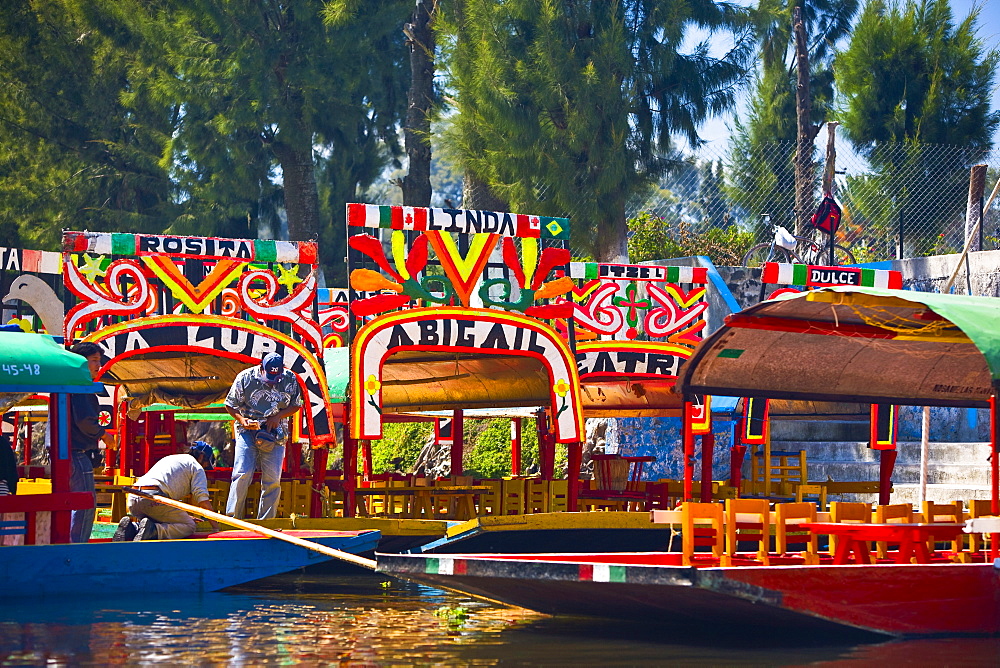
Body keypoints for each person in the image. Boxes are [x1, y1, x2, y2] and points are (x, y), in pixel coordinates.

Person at [224, 352, 302, 519]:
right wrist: (242, 420)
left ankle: (267, 521)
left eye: (276, 375)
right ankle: (232, 519)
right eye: (269, 376)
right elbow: (230, 404)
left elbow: (296, 405)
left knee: (272, 478)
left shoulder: (290, 378)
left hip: (276, 433)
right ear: (261, 368)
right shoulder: (245, 378)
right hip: (247, 431)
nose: (273, 380)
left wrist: (277, 417)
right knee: (242, 472)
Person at [113, 441, 221, 541]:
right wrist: (216, 528)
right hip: (154, 497)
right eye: (207, 463)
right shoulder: (197, 467)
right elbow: (203, 502)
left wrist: (182, 517)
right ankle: (154, 530)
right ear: (202, 456)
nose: (205, 468)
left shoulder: (173, 458)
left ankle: (132, 527)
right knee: (189, 526)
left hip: (134, 497)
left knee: (156, 521)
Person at [67, 341, 115, 543]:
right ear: (81, 362)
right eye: (94, 360)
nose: (98, 365)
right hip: (76, 453)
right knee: (85, 502)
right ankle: (77, 546)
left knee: (77, 500)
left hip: (67, 452)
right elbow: (85, 421)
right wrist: (104, 434)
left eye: (99, 361)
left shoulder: (72, 384)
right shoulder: (80, 385)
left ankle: (72, 543)